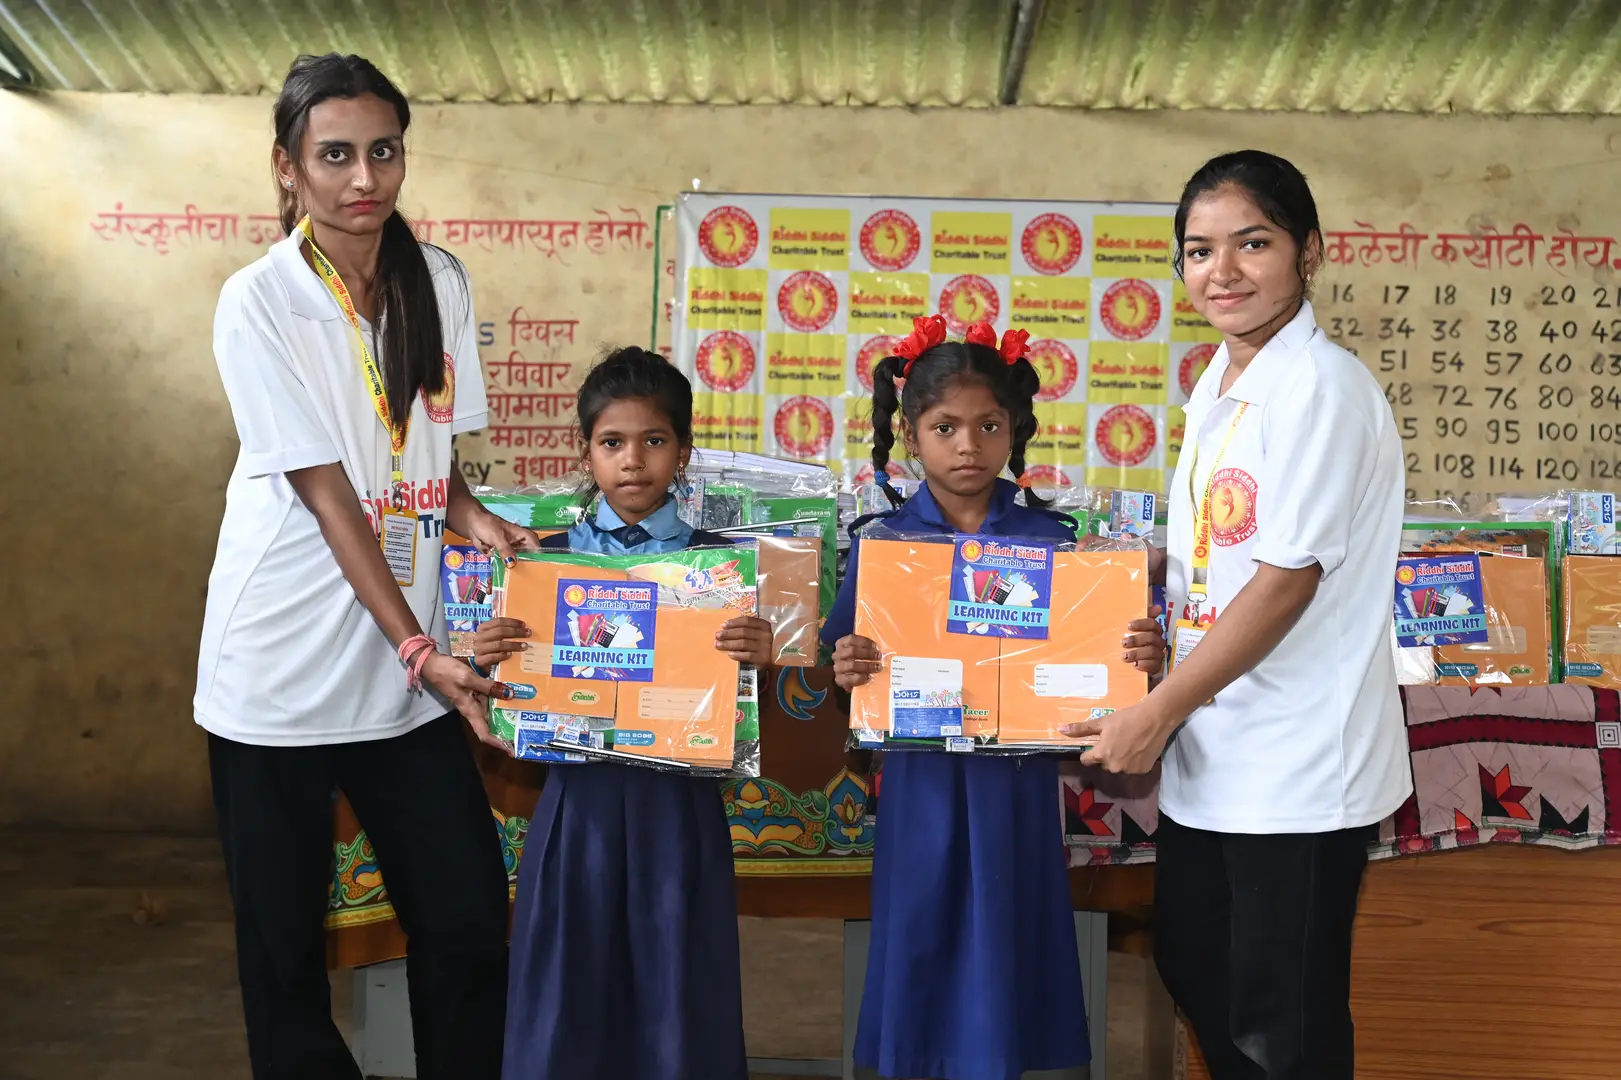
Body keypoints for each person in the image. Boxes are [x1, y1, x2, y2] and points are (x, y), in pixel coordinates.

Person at [195, 53, 535, 1080]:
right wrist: (420, 647)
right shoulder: (259, 302)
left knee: (467, 924)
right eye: (334, 155)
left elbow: (426, 447)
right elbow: (328, 491)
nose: (364, 179)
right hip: (282, 675)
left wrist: (472, 516)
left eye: (383, 152)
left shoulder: (438, 281)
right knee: (284, 964)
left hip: (402, 689)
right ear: (287, 168)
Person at [1062, 151, 1412, 1079]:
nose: (1220, 271)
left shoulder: (1321, 389)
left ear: (1308, 252)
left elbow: (1285, 580)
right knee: (1192, 962)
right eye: (1198, 250)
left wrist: (1157, 708)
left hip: (1297, 763)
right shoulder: (1221, 380)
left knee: (1279, 1026)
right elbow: (1226, 548)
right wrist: (1121, 587)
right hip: (1218, 753)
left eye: (1251, 244)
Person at [824, 317, 1167, 1080]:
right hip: (920, 784)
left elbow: (1101, 659)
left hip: (1015, 787)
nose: (967, 446)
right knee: (920, 931)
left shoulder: (1059, 543)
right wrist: (848, 666)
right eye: (944, 427)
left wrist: (1139, 655)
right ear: (910, 435)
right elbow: (845, 668)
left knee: (1007, 936)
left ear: (1015, 429)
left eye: (988, 425)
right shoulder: (883, 546)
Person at [478, 347, 773, 1080]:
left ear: (684, 452)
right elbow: (512, 691)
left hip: (678, 812)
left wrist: (757, 657)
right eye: (612, 442)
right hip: (577, 810)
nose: (633, 460)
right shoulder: (541, 566)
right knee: (568, 984)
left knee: (677, 983)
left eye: (654, 440)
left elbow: (741, 699)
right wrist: (492, 655)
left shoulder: (720, 570)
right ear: (585, 452)